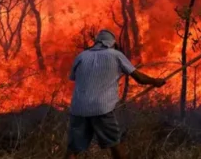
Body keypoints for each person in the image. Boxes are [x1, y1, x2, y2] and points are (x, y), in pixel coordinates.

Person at [65, 30, 167, 158]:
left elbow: (74, 78)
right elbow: (140, 78)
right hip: (101, 109)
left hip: (78, 108)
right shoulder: (115, 55)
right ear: (111, 43)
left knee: (73, 149)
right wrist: (155, 81)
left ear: (96, 42)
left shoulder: (81, 56)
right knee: (115, 144)